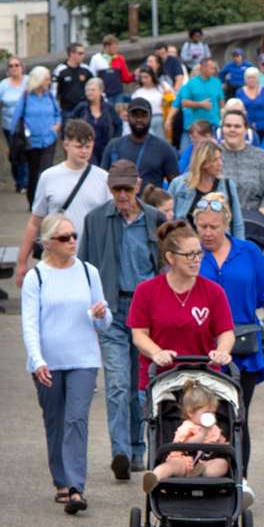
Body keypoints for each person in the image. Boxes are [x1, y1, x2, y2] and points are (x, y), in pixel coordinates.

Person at [195, 191, 264, 479]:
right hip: (202, 347)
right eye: (202, 226)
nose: (208, 232)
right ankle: (206, 475)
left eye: (214, 226)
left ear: (226, 223)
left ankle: (239, 480)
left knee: (237, 416)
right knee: (205, 416)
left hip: (242, 348)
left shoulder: (248, 252)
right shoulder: (191, 254)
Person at [20, 212, 111, 515]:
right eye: (64, 238)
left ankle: (75, 487)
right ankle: (60, 479)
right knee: (55, 420)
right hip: (48, 362)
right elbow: (30, 324)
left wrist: (100, 315)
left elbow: (105, 321)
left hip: (83, 359)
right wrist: (37, 360)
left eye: (74, 236)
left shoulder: (88, 272)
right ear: (47, 243)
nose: (72, 241)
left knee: (76, 419)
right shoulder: (38, 277)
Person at [79, 159, 162, 480]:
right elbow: (84, 267)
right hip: (112, 311)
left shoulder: (155, 220)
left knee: (140, 388)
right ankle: (121, 453)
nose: (122, 195)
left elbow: (166, 266)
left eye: (127, 188)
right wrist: (90, 305)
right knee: (116, 385)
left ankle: (138, 448)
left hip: (146, 316)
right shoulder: (96, 220)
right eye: (116, 189)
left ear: (138, 186)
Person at [128, 219, 235, 388]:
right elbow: (139, 334)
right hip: (161, 379)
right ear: (170, 257)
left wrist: (222, 351)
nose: (196, 260)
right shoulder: (146, 291)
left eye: (199, 253)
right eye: (189, 254)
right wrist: (157, 353)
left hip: (204, 378)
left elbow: (226, 332)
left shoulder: (214, 291)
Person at [15, 119, 110, 288]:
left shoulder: (103, 178)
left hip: (91, 259)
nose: (84, 151)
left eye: (88, 146)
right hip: (55, 257)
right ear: (66, 144)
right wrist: (23, 262)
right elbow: (35, 222)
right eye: (79, 146)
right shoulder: (48, 177)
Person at [142, 380, 230, 492]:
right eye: (207, 412)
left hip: (205, 462)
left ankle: (202, 472)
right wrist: (202, 433)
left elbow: (221, 441)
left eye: (213, 412)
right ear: (190, 412)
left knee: (222, 464)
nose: (211, 416)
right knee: (171, 466)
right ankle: (155, 476)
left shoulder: (214, 428)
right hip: (184, 460)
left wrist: (223, 444)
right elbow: (186, 444)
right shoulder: (188, 426)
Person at [172, 140, 246, 239]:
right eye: (215, 160)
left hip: (219, 246)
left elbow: (237, 224)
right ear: (203, 162)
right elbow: (169, 220)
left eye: (220, 159)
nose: (220, 163)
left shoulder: (228, 185)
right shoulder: (178, 184)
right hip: (186, 246)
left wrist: (240, 250)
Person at [218, 108, 264, 225]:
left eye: (237, 126)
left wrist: (262, 212)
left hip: (254, 219)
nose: (232, 130)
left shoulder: (260, 156)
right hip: (220, 222)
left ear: (246, 130)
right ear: (222, 129)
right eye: (228, 126)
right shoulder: (213, 155)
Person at [104, 97, 180, 189]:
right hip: (119, 201)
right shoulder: (114, 145)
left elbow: (175, 186)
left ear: (151, 117)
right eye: (135, 115)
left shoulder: (164, 148)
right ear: (127, 117)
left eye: (143, 115)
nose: (139, 119)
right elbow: (103, 179)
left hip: (150, 202)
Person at [16, 66, 63, 206]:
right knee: (33, 172)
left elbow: (57, 114)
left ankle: (46, 202)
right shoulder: (26, 97)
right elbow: (17, 118)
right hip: (32, 142)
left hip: (49, 139)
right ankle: (33, 202)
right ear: (39, 80)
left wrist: (57, 126)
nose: (49, 82)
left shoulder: (49, 96)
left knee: (47, 172)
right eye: (47, 79)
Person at [0, 55, 28, 192]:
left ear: (22, 67)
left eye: (17, 65)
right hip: (10, 126)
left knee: (26, 152)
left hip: (27, 124)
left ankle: (24, 183)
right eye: (11, 66)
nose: (14, 68)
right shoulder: (4, 84)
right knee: (15, 154)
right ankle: (18, 180)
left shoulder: (28, 82)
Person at [70, 78, 121, 167]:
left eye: (93, 90)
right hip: (87, 149)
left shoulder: (109, 108)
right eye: (87, 90)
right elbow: (70, 124)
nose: (89, 92)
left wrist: (114, 141)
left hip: (106, 148)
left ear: (101, 91)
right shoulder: (81, 108)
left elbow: (119, 125)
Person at [178, 57, 224, 131]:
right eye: (211, 68)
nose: (214, 71)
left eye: (214, 68)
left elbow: (221, 102)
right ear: (203, 68)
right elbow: (184, 103)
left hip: (215, 124)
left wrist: (222, 118)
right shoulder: (191, 83)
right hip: (199, 125)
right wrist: (200, 104)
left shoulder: (217, 82)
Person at [88, 34, 132, 110]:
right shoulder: (96, 58)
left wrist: (135, 76)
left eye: (116, 46)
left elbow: (126, 78)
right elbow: (91, 79)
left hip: (118, 94)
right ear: (106, 46)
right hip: (103, 95)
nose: (116, 49)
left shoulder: (120, 58)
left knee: (119, 117)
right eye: (114, 47)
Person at [235, 67, 264, 143]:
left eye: (253, 77)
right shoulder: (239, 92)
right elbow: (238, 109)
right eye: (248, 78)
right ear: (245, 79)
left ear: (257, 78)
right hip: (247, 127)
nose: (251, 80)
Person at [129, 66, 169, 137]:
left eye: (146, 77)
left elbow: (172, 100)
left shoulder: (162, 87)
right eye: (142, 77)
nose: (144, 80)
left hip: (162, 118)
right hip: (145, 119)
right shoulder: (137, 92)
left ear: (152, 76)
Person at [52, 43, 93, 114]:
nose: (83, 56)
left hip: (84, 109)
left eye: (83, 53)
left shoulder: (86, 69)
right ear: (72, 54)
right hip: (67, 110)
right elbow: (54, 91)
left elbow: (94, 86)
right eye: (80, 53)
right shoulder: (60, 70)